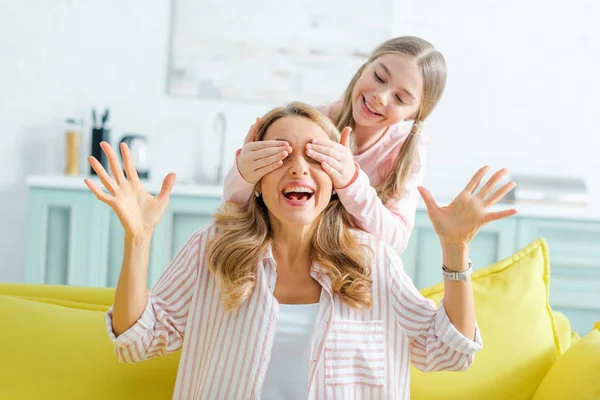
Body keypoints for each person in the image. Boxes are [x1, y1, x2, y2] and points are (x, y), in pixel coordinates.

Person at [85, 102, 516, 399]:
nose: (297, 167)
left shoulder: (372, 260)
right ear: (254, 178)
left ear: (335, 182)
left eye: (315, 156)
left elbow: (449, 350)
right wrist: (138, 240)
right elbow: (137, 342)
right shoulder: (212, 250)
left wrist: (455, 249)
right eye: (280, 155)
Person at [223, 36, 449, 254]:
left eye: (400, 99)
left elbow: (396, 241)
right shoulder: (311, 123)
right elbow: (234, 209)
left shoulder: (407, 153)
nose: (381, 96)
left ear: (415, 113)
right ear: (364, 69)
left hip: (350, 273)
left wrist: (351, 182)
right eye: (379, 77)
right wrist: (244, 174)